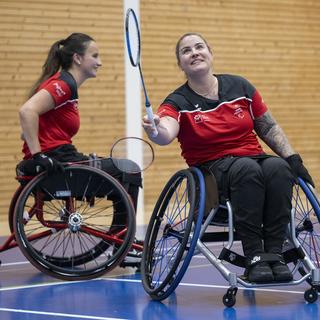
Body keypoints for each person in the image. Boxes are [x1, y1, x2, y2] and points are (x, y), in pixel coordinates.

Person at [142, 32, 314, 283]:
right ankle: (255, 256)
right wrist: (154, 130)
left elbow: (267, 127)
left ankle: (275, 255)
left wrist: (293, 158)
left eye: (200, 47)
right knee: (247, 169)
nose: (194, 53)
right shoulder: (177, 101)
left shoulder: (240, 87)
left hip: (253, 158)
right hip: (213, 170)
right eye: (186, 51)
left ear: (210, 53)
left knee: (279, 168)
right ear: (180, 64)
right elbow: (166, 131)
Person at [17, 32, 141, 231]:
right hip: (58, 161)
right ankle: (122, 242)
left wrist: (35, 144)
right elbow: (27, 111)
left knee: (123, 169)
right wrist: (39, 155)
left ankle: (121, 239)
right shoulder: (62, 85)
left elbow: (27, 130)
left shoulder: (65, 84)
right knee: (130, 169)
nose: (99, 62)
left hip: (62, 157)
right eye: (95, 56)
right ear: (77, 58)